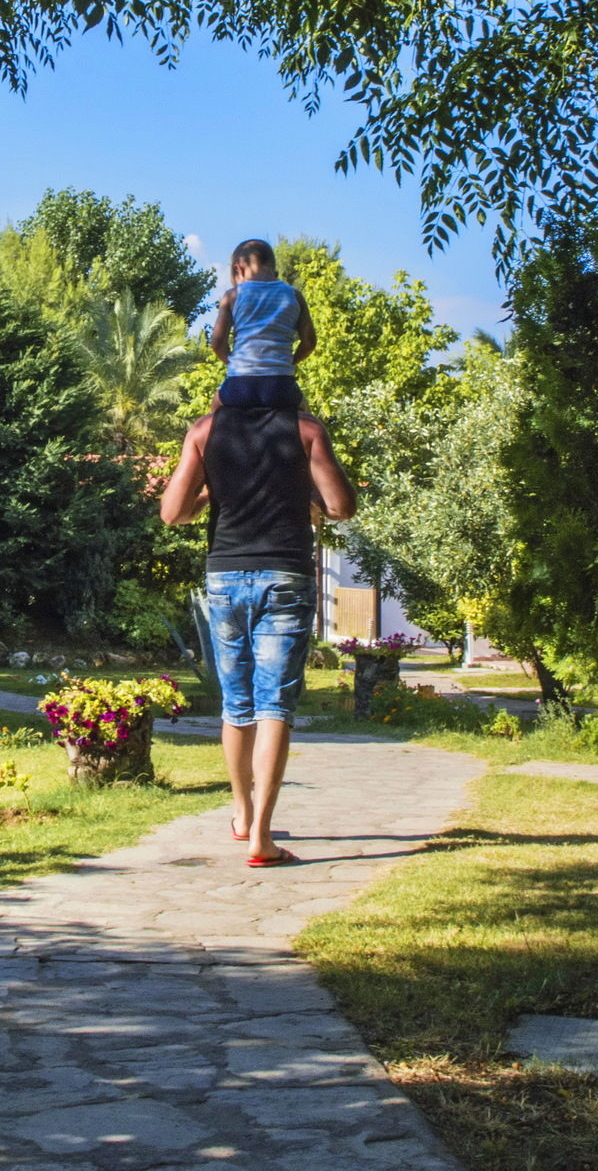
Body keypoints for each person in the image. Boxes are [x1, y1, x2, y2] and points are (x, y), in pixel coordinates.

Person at [160, 395, 356, 864]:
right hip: (285, 576)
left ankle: (243, 815)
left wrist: (213, 493)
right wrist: (302, 493)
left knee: (237, 702)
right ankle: (261, 839)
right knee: (274, 704)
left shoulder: (205, 431)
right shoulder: (305, 429)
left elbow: (173, 514)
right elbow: (340, 507)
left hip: (226, 578)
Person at [210, 238, 316, 410]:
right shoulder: (294, 296)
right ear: (275, 269)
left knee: (210, 417)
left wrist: (233, 363)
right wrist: (290, 362)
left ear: (238, 269)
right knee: (308, 416)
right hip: (281, 385)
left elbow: (217, 343)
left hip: (240, 384)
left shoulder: (232, 296)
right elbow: (309, 342)